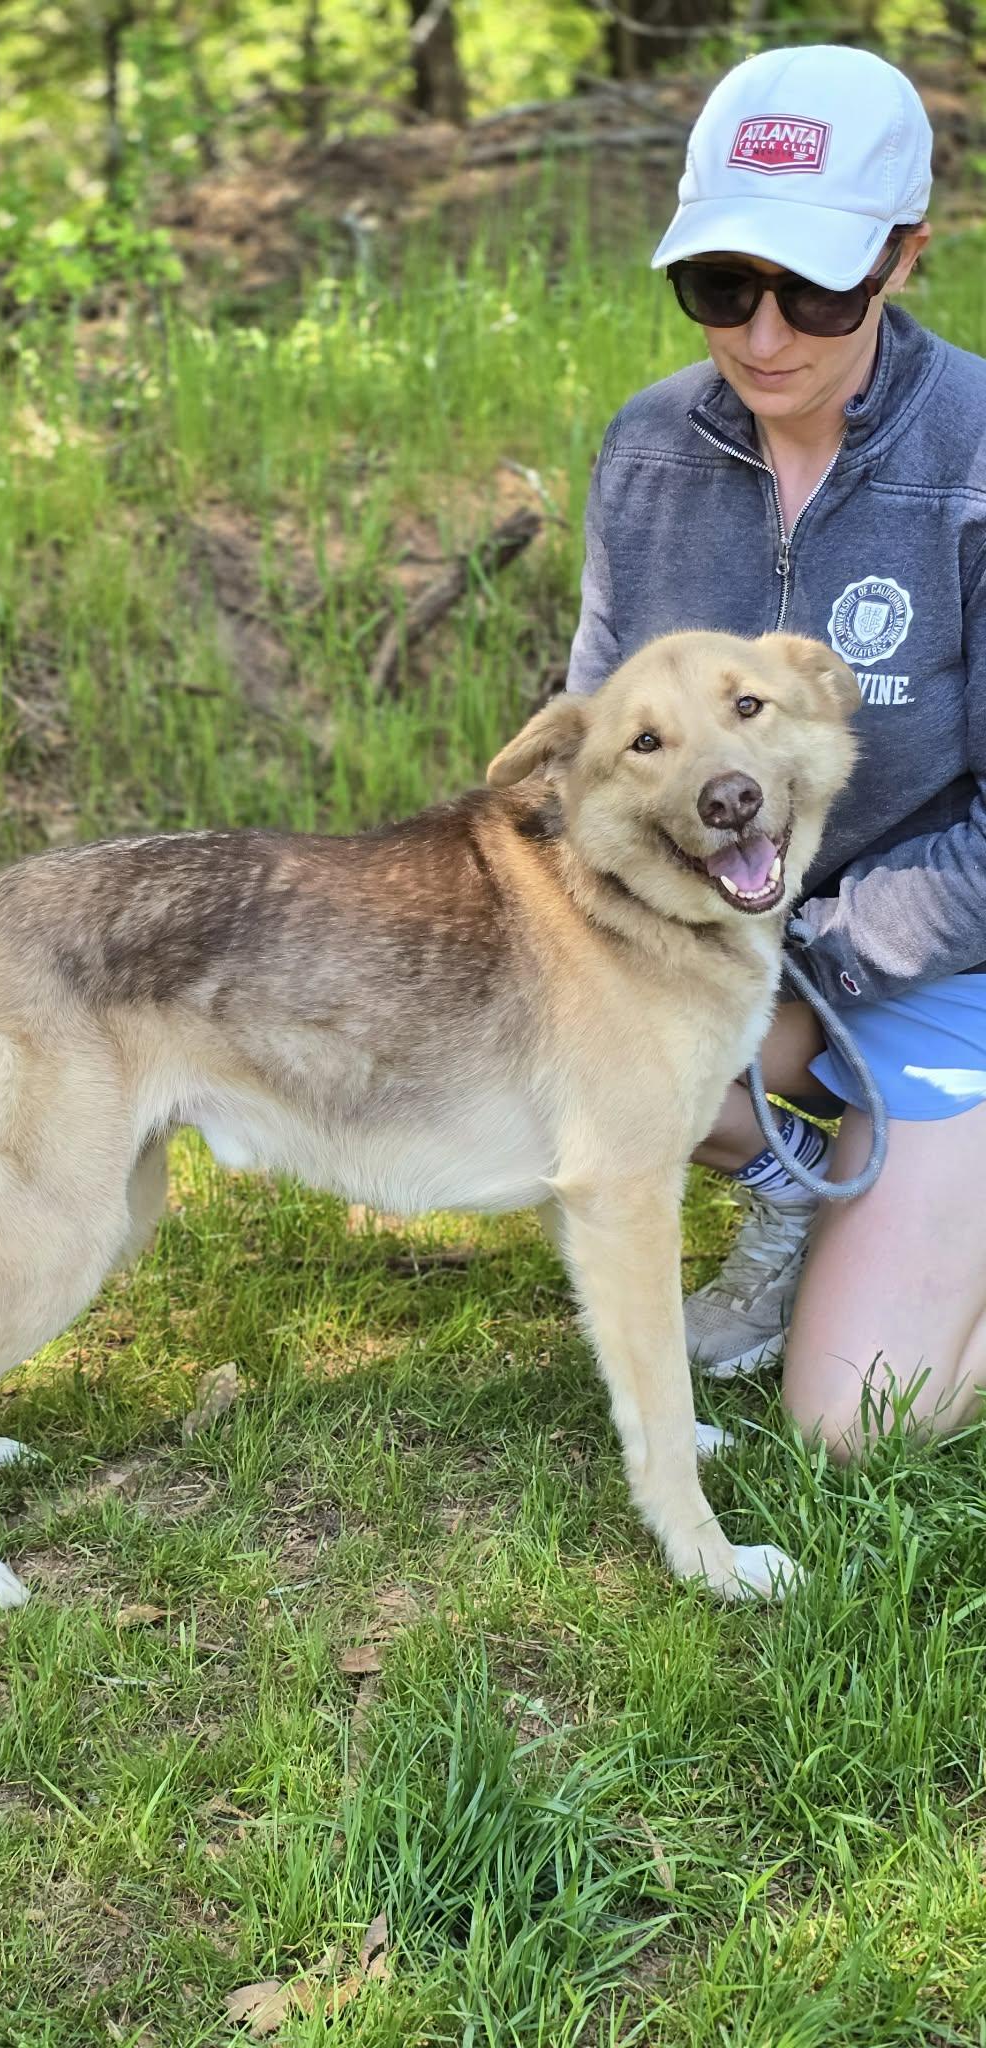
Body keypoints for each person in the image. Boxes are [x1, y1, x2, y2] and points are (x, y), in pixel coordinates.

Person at [566, 44, 986, 1462]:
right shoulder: (645, 452)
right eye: (721, 287)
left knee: (856, 1422)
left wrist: (817, 961)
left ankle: (917, 1172)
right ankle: (804, 1184)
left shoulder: (979, 457)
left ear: (903, 256)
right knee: (570, 1010)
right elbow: (602, 761)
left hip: (949, 958)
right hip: (741, 936)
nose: (762, 337)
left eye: (814, 290)